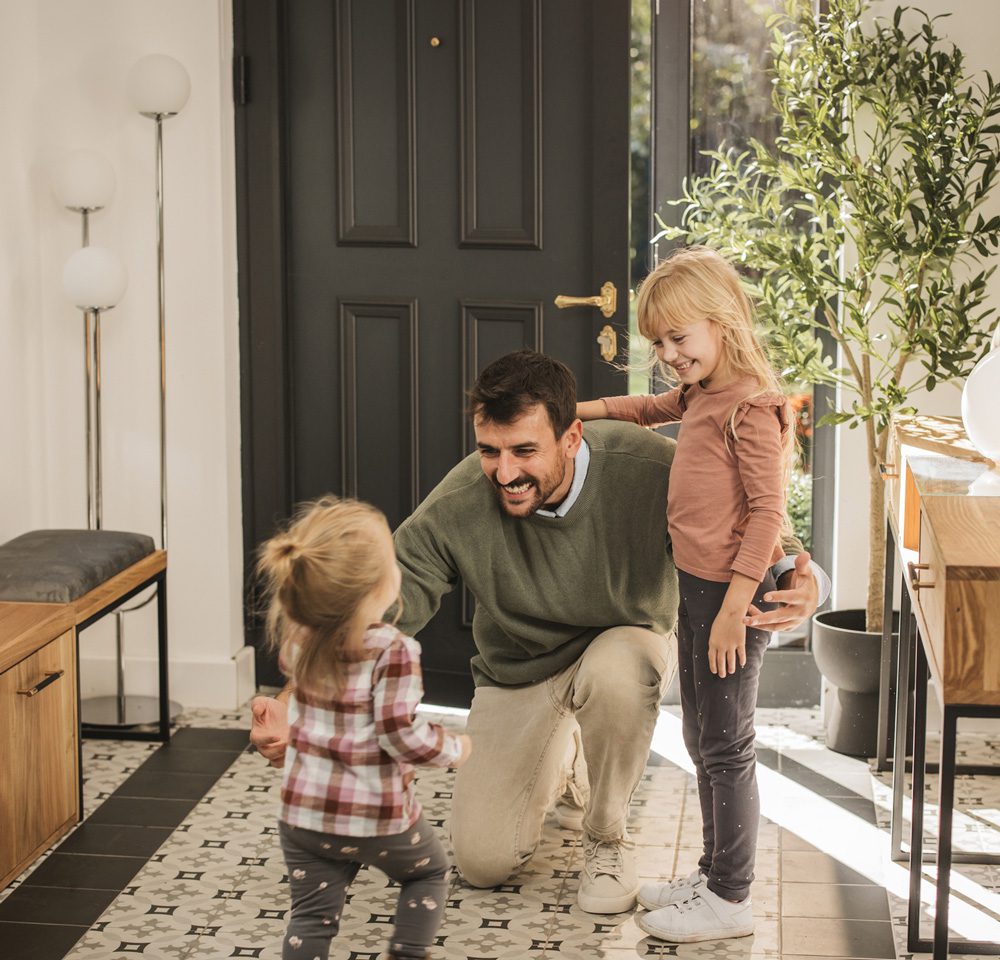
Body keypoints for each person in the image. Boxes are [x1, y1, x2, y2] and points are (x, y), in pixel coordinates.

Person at [252, 349, 828, 919]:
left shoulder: (654, 469)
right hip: (519, 670)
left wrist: (809, 586)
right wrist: (292, 705)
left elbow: (766, 538)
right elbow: (379, 610)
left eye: (525, 451)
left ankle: (606, 837)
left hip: (620, 650)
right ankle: (567, 749)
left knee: (618, 672)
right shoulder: (460, 501)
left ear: (572, 437)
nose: (505, 473)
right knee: (483, 862)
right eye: (490, 452)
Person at [577, 245, 798, 943]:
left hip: (734, 597)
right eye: (659, 343)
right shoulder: (703, 393)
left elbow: (766, 516)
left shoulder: (753, 408)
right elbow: (644, 408)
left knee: (727, 745)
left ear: (723, 321)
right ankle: (712, 872)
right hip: (701, 592)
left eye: (679, 338)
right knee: (703, 737)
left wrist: (735, 612)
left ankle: (731, 898)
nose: (669, 354)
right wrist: (570, 410)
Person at [256, 495, 472, 960]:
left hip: (303, 817)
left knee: (312, 916)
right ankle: (407, 952)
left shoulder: (297, 639)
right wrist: (453, 748)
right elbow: (400, 736)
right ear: (380, 586)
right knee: (427, 874)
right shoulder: (393, 650)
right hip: (377, 817)